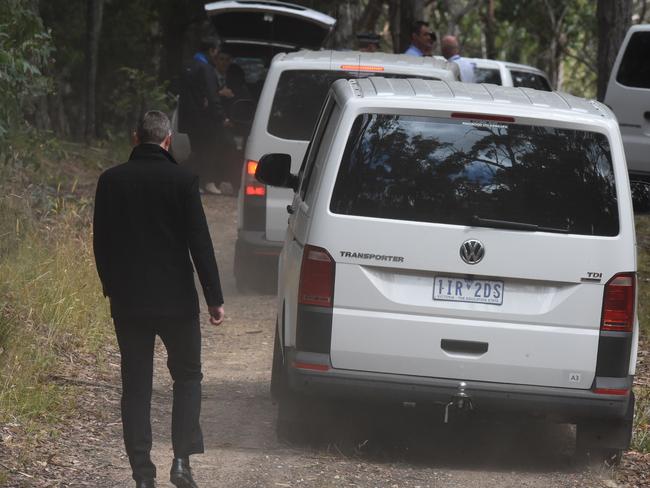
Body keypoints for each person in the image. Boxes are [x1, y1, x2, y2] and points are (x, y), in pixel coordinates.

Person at [93, 110, 225, 488]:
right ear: (168, 140)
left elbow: (102, 243)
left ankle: (142, 473)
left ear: (136, 138)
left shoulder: (111, 181)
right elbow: (199, 242)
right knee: (187, 377)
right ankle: (181, 462)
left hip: (129, 302)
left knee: (136, 384)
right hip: (177, 303)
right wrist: (213, 297)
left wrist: (111, 287)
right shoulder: (183, 180)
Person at [178, 38, 230, 195]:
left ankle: (195, 182)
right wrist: (222, 117)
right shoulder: (205, 68)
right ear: (212, 50)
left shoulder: (188, 65)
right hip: (203, 119)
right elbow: (211, 94)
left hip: (188, 118)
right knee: (208, 151)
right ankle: (207, 182)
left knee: (197, 150)